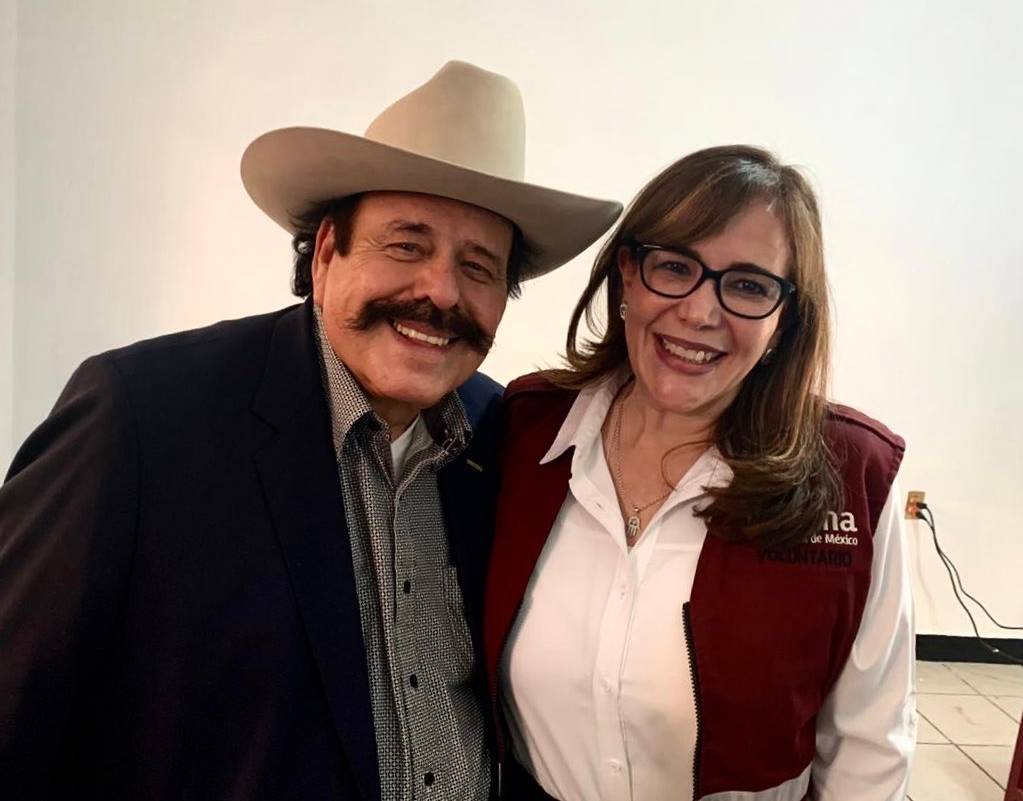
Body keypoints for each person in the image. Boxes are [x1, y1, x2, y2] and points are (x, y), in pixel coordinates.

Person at [0, 61, 621, 800]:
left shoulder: (503, 437)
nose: (440, 291)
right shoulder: (141, 416)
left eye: (479, 266)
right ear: (326, 254)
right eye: (407, 245)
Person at [484, 146, 915, 801]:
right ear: (628, 276)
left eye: (747, 285)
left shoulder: (853, 475)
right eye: (675, 266)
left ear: (784, 320)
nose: (699, 312)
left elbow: (869, 746)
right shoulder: (525, 430)